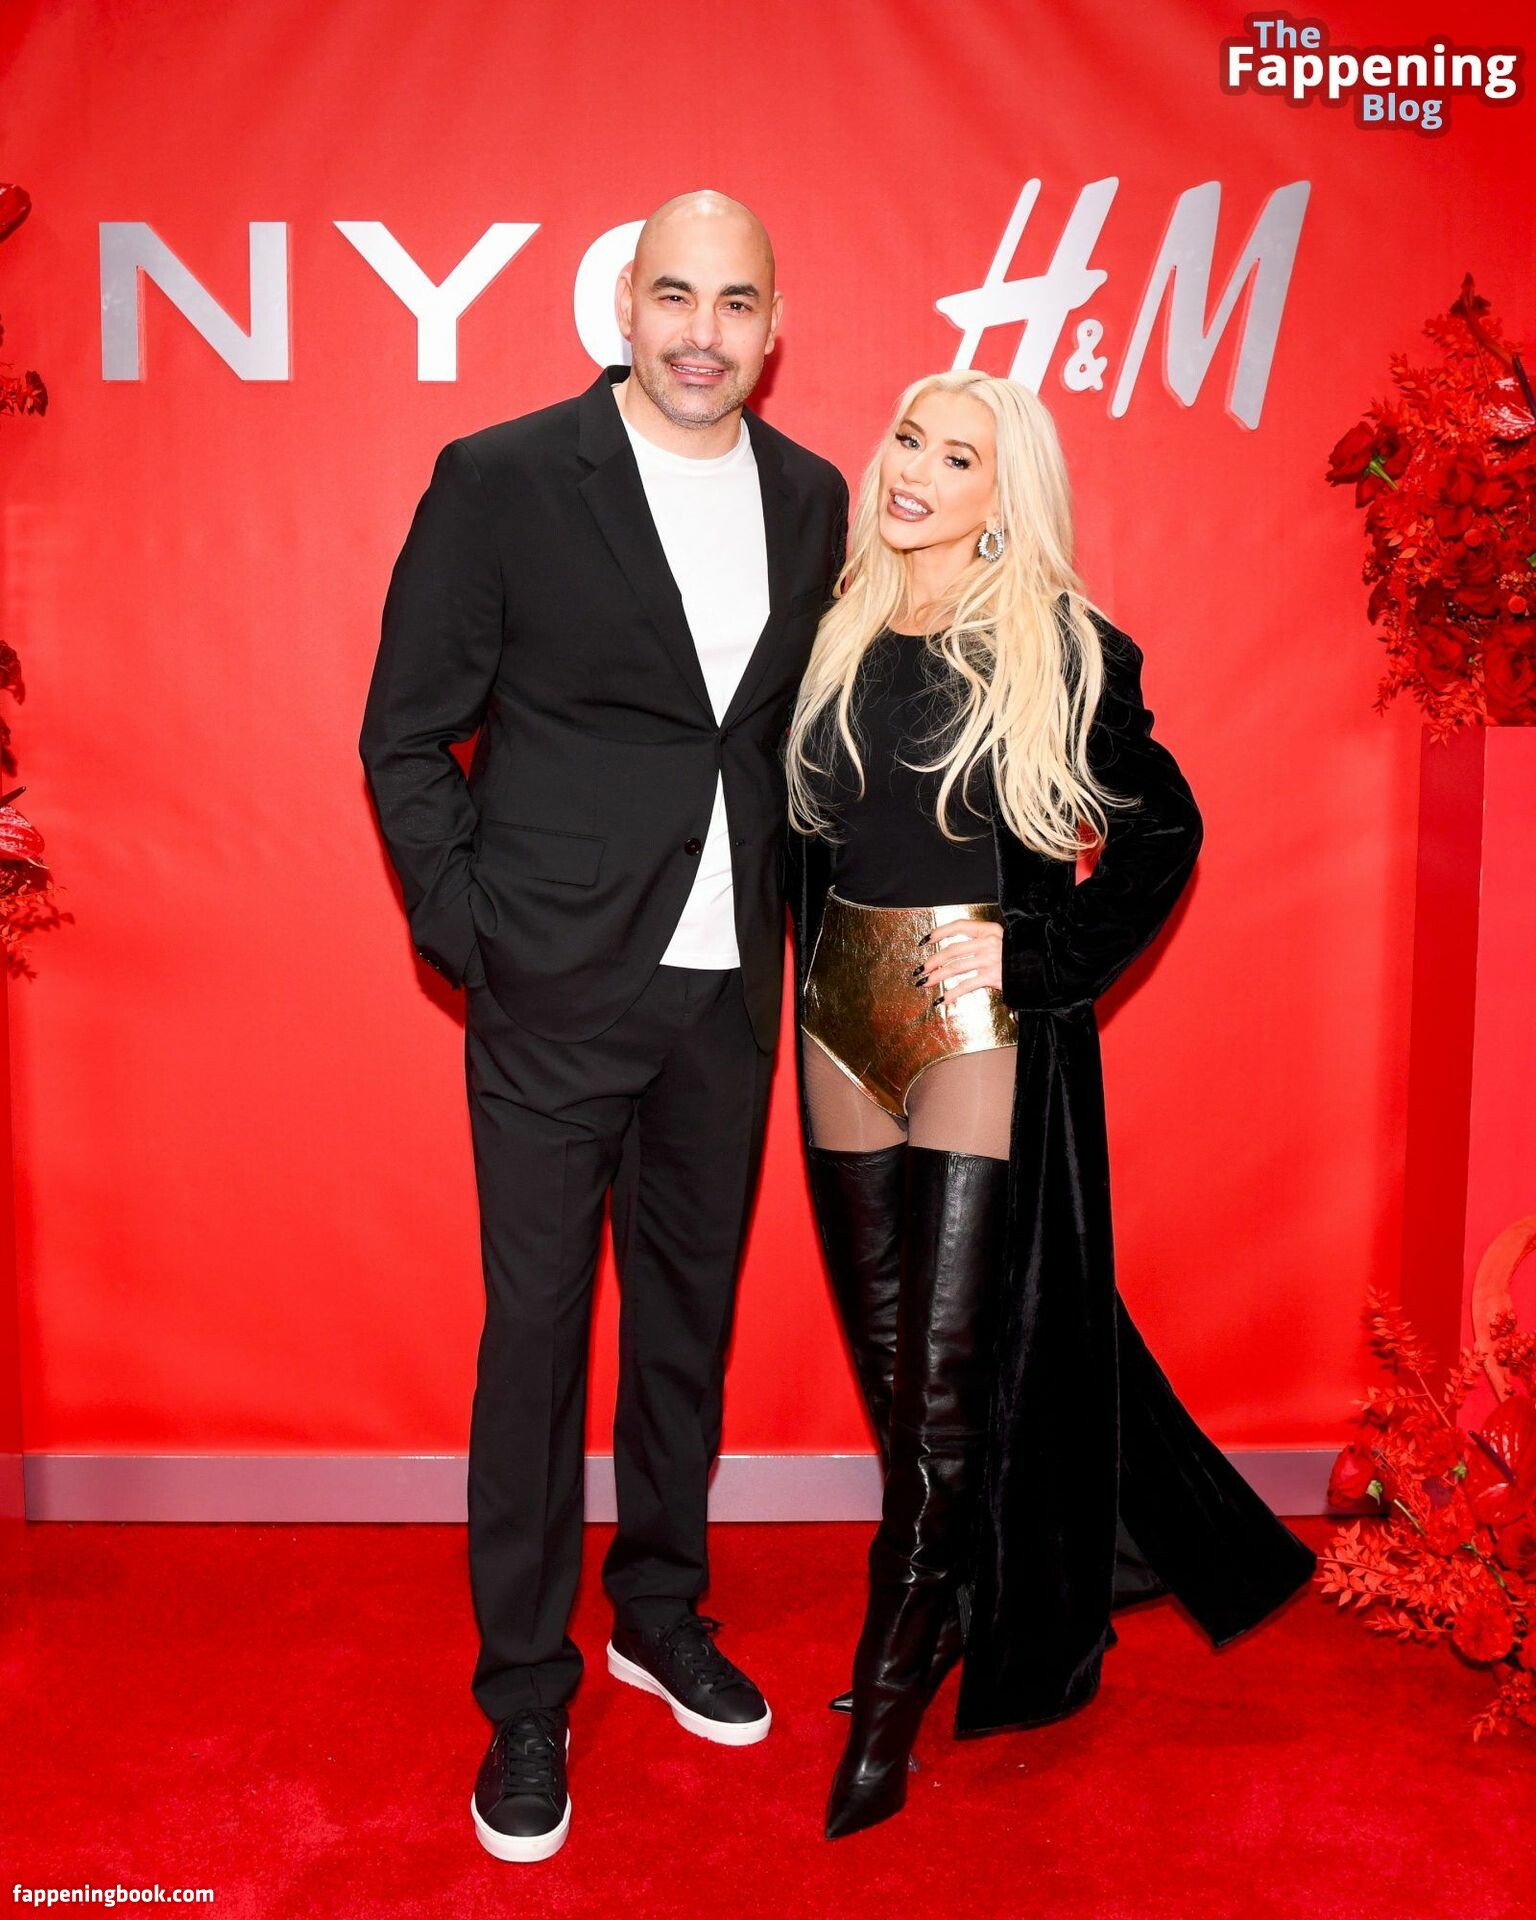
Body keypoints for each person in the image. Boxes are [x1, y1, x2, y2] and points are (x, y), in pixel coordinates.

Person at [359, 189, 848, 1863]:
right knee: (538, 1337)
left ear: (772, 327)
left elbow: (789, 737)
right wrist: (473, 933)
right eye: (676, 296)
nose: (704, 332)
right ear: (624, 306)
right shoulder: (501, 478)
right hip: (553, 985)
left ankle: (658, 1609)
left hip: (731, 985)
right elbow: (405, 733)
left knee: (686, 1323)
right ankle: (523, 1691)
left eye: (736, 301)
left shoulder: (812, 495)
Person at [783, 369, 1317, 1840]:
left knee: (950, 1376)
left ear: (1003, 497)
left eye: (958, 458)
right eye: (909, 439)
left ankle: (893, 1671)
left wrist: (1037, 954)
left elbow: (1164, 831)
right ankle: (949, 1597)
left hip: (975, 1021)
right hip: (840, 1012)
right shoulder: (832, 626)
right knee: (896, 1367)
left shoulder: (1056, 645)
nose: (916, 471)